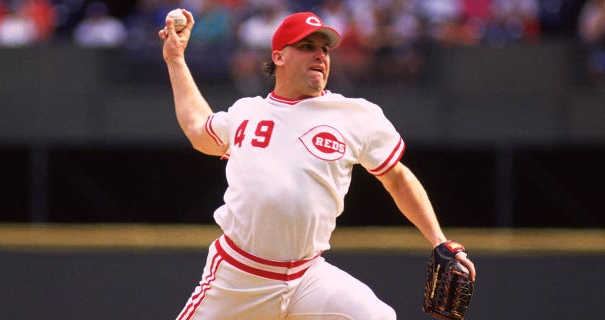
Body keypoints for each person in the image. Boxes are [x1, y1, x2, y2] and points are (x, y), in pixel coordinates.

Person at [159, 9, 476, 320]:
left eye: (325, 49)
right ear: (279, 56)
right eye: (307, 47)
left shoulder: (355, 115)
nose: (320, 56)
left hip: (306, 275)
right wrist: (175, 59)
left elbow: (397, 178)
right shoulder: (247, 112)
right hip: (240, 276)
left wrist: (439, 239)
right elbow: (198, 129)